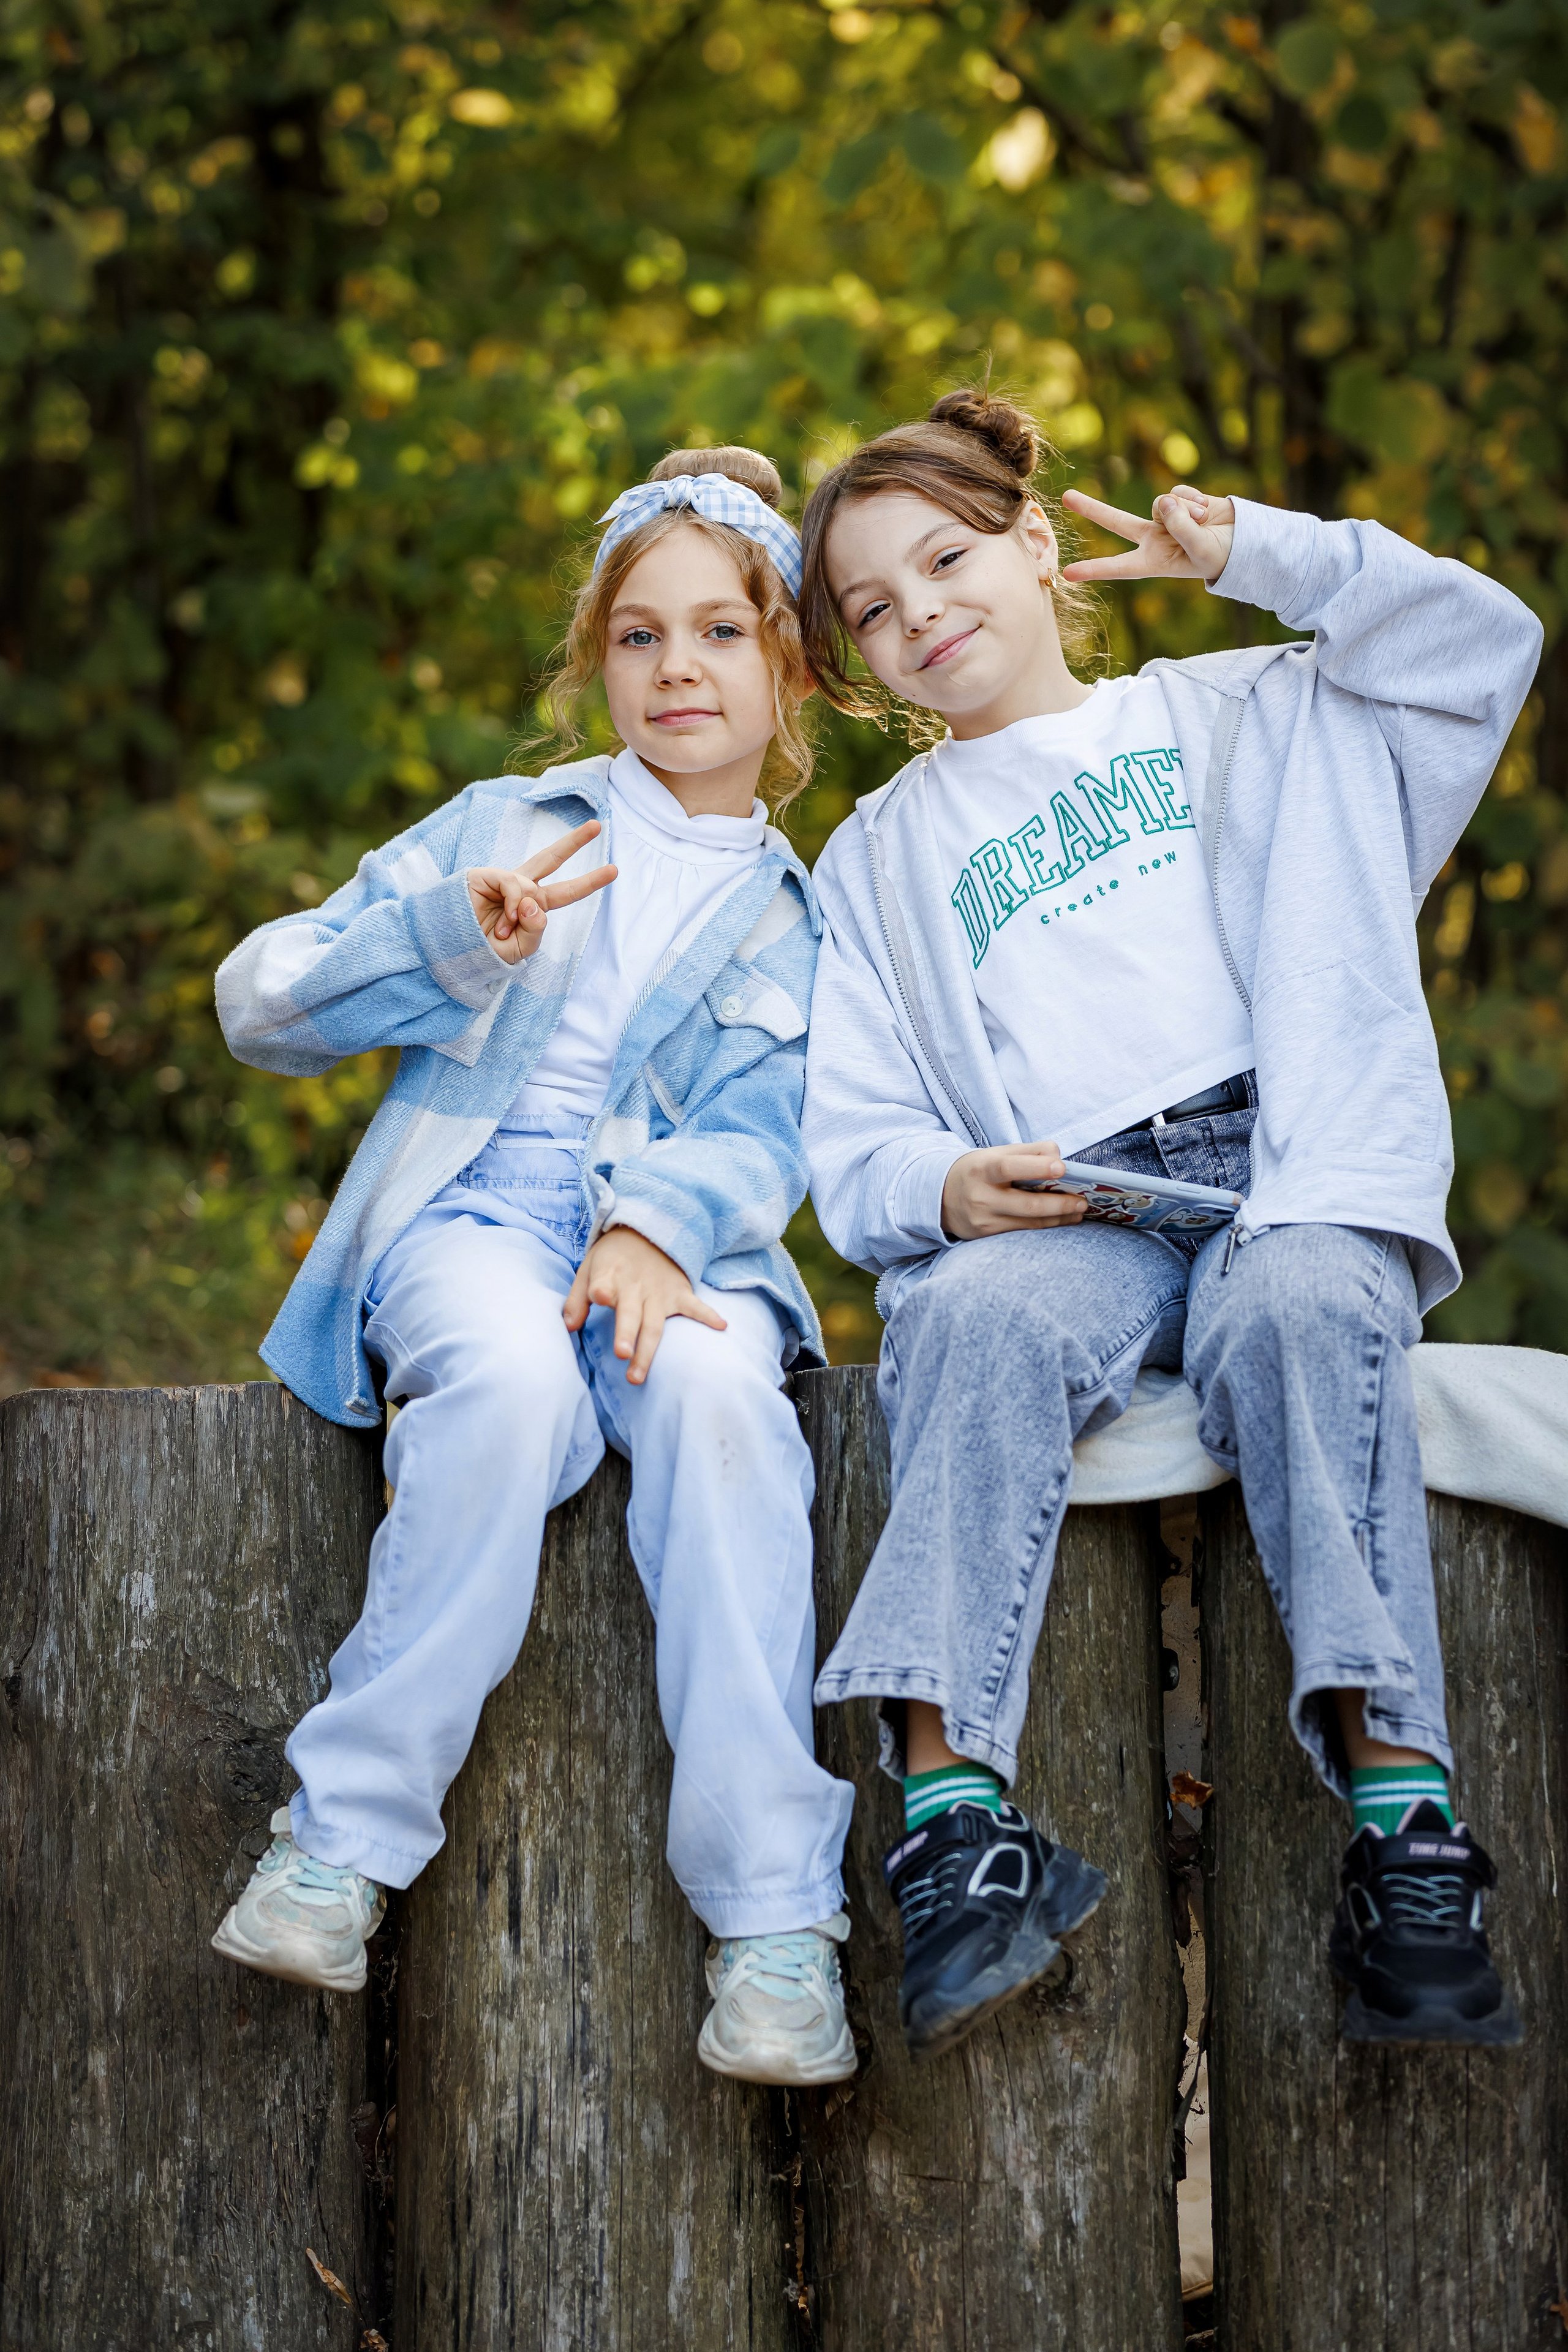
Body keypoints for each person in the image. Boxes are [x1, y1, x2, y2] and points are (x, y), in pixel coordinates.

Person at [794, 387, 1541, 2060]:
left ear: (1039, 542)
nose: (922, 612)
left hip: (1286, 1159)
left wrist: (1260, 554)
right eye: (872, 607)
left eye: (948, 557)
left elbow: (1487, 643)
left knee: (1300, 1322)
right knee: (970, 1324)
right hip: (1077, 1201)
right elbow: (852, 1138)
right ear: (853, 659)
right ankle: (948, 1821)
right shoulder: (877, 858)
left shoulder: (1254, 708)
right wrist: (940, 1186)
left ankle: (1407, 1824)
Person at [209, 448, 858, 2087]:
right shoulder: (513, 826)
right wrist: (441, 942)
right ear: (597, 661)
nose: (678, 669)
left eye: (722, 631)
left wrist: (662, 1225)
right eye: (639, 637)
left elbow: (773, 1127)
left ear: (789, 661)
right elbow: (262, 1001)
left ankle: (776, 1924)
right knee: (496, 1384)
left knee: (721, 1407)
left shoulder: (806, 917)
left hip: (679, 1250)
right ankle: (339, 1845)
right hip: (479, 1222)